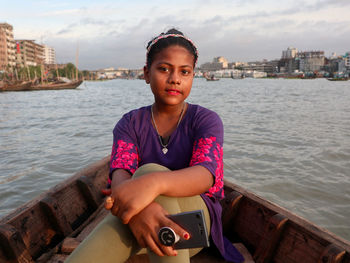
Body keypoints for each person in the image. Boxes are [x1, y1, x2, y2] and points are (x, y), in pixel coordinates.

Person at [66, 28, 244, 263]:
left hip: (194, 224)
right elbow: (121, 178)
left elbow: (205, 175)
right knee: (147, 180)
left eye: (185, 72)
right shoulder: (129, 123)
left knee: (150, 171)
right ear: (146, 73)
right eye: (164, 69)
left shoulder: (206, 120)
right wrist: (144, 210)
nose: (174, 79)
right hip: (137, 220)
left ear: (193, 76)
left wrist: (153, 183)